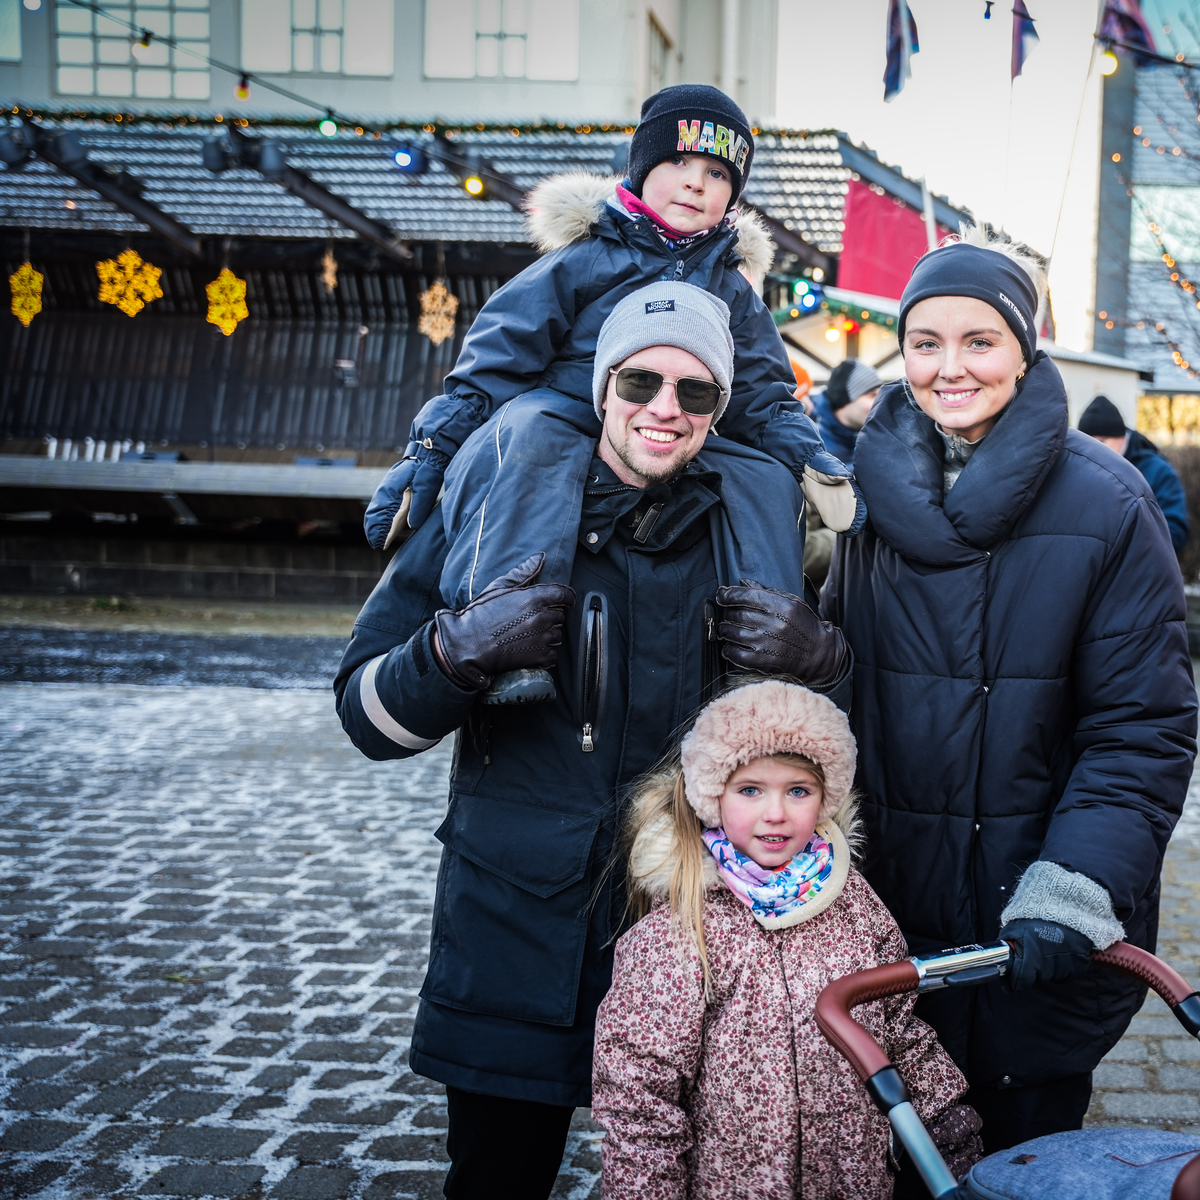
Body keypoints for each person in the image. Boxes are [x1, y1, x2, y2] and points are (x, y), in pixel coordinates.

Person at [335, 283, 852, 1200]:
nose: (665, 408)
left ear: (720, 408)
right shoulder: (494, 504)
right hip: (514, 928)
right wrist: (456, 652)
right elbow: (365, 715)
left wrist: (823, 659)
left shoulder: (764, 533)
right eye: (640, 381)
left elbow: (838, 742)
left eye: (696, 391)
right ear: (602, 385)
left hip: (697, 935)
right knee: (499, 1180)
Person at [821, 226, 1198, 1166]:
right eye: (925, 342)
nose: (950, 367)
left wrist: (1076, 884)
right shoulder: (864, 498)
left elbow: (1140, 728)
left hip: (1035, 926)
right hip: (890, 923)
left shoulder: (1109, 503)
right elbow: (843, 691)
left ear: (1024, 351)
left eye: (979, 341)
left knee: (1024, 1161)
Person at [362, 83, 863, 704]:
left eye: (717, 173)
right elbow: (497, 356)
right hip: (568, 406)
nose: (695, 182)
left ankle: (758, 645)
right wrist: (433, 449)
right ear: (643, 167)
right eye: (678, 161)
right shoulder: (588, 256)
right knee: (528, 434)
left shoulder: (731, 286)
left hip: (681, 423)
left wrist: (806, 457)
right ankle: (511, 623)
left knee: (760, 474)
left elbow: (764, 390)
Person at [592, 679, 984, 1197]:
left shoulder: (853, 903)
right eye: (750, 790)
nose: (775, 813)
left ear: (824, 799)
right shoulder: (680, 929)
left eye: (798, 790)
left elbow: (898, 1028)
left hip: (852, 1182)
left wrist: (948, 1130)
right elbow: (640, 1098)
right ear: (712, 796)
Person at [1078, 394, 1190, 551]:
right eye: (1087, 442)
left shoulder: (1158, 471)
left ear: (1122, 437)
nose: (1094, 449)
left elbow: (1175, 531)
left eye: (1102, 441)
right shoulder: (1077, 471)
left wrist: (1126, 549)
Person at [812, 356, 883, 466]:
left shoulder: (878, 441)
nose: (880, 402)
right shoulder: (814, 449)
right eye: (872, 395)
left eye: (881, 394)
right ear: (844, 401)